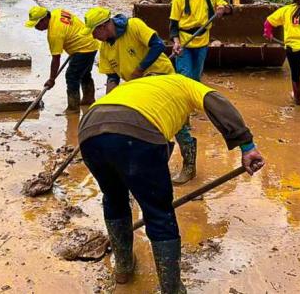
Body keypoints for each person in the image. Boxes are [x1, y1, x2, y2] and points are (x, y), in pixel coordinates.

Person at [77, 74, 265, 292]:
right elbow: (216, 100)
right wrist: (247, 145)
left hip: (90, 130)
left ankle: (123, 268)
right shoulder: (183, 83)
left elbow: (156, 150)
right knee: (158, 213)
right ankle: (172, 289)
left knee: (114, 197)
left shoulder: (140, 89)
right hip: (136, 129)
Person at [169, 0, 231, 184]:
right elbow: (173, 26)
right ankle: (183, 115)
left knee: (195, 79)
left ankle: (189, 107)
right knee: (184, 79)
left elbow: (226, 6)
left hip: (202, 43)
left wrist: (222, 8)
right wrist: (176, 43)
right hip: (184, 43)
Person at [80, 7, 174, 93]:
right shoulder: (104, 49)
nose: (93, 37)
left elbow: (159, 45)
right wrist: (109, 97)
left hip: (162, 77)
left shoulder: (134, 25)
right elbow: (112, 76)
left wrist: (139, 69)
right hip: (138, 85)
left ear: (103, 26)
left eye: (94, 32)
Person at [25, 6, 99, 111]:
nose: (36, 27)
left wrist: (51, 79)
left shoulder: (54, 33)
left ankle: (73, 108)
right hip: (91, 42)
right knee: (84, 73)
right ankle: (88, 99)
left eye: (37, 24)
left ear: (45, 19)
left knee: (72, 76)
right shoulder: (57, 12)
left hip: (83, 48)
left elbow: (56, 58)